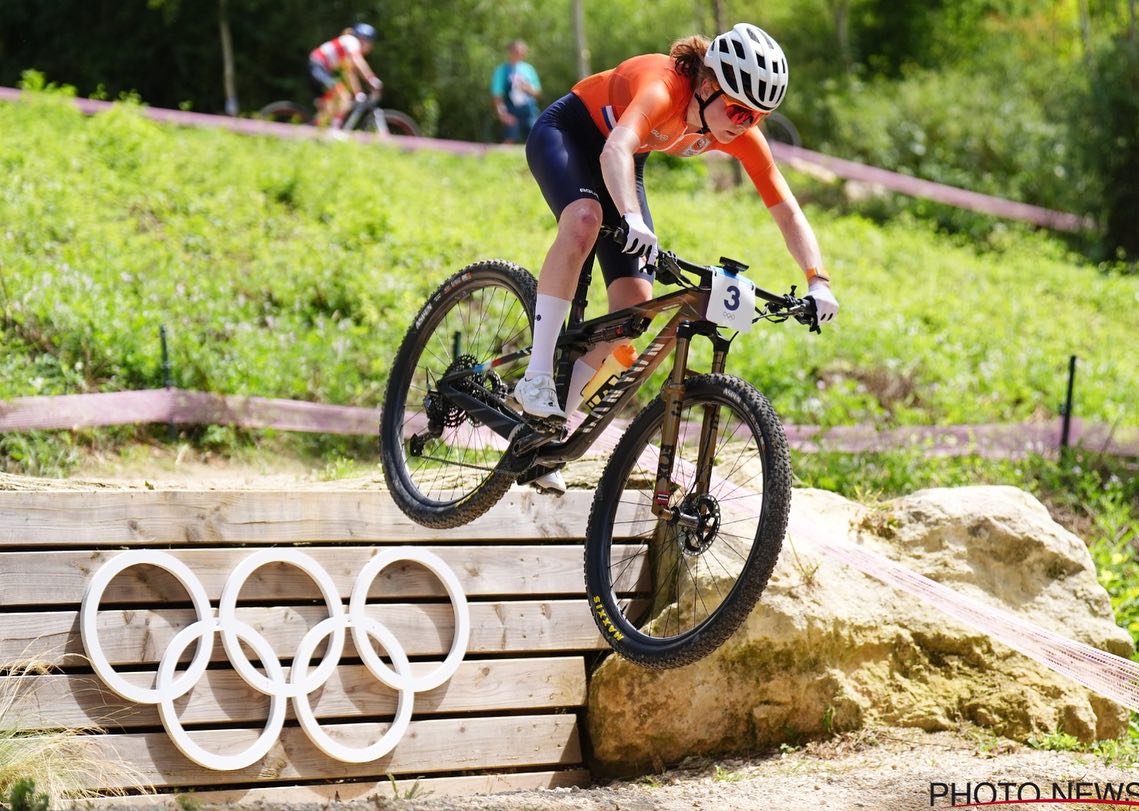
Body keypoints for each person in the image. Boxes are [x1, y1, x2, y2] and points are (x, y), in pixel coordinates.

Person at [516, 23, 839, 494]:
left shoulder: (736, 128)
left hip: (626, 157)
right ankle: (537, 375)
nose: (743, 124)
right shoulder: (664, 86)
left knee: (633, 310)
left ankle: (548, 433)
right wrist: (630, 216)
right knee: (585, 219)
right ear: (707, 85)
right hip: (570, 133)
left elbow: (786, 208)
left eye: (755, 117)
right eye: (736, 110)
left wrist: (818, 278)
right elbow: (615, 149)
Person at [309, 23, 384, 128]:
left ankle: (314, 128)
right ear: (364, 39)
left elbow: (350, 73)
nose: (370, 47)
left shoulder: (347, 48)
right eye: (370, 43)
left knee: (331, 106)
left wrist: (358, 93)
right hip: (318, 67)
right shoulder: (351, 41)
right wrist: (371, 78)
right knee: (344, 98)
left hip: (318, 68)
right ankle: (333, 131)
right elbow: (358, 60)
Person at [490, 39, 542, 144]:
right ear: (510, 51)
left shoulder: (529, 69)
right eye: (517, 51)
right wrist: (502, 114)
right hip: (511, 111)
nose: (520, 54)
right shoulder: (502, 70)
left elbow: (537, 92)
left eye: (522, 51)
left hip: (529, 111)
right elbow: (497, 95)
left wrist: (527, 88)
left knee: (537, 139)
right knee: (510, 138)